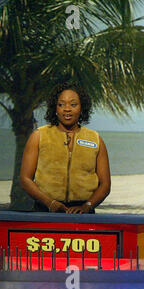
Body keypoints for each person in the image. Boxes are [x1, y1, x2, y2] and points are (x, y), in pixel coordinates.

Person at [20, 82, 111, 214]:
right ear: (55, 108)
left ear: (81, 108)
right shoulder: (39, 136)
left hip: (83, 214)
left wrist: (87, 206)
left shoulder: (95, 139)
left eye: (73, 104)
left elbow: (105, 185)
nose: (67, 109)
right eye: (61, 104)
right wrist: (50, 203)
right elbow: (25, 179)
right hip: (45, 211)